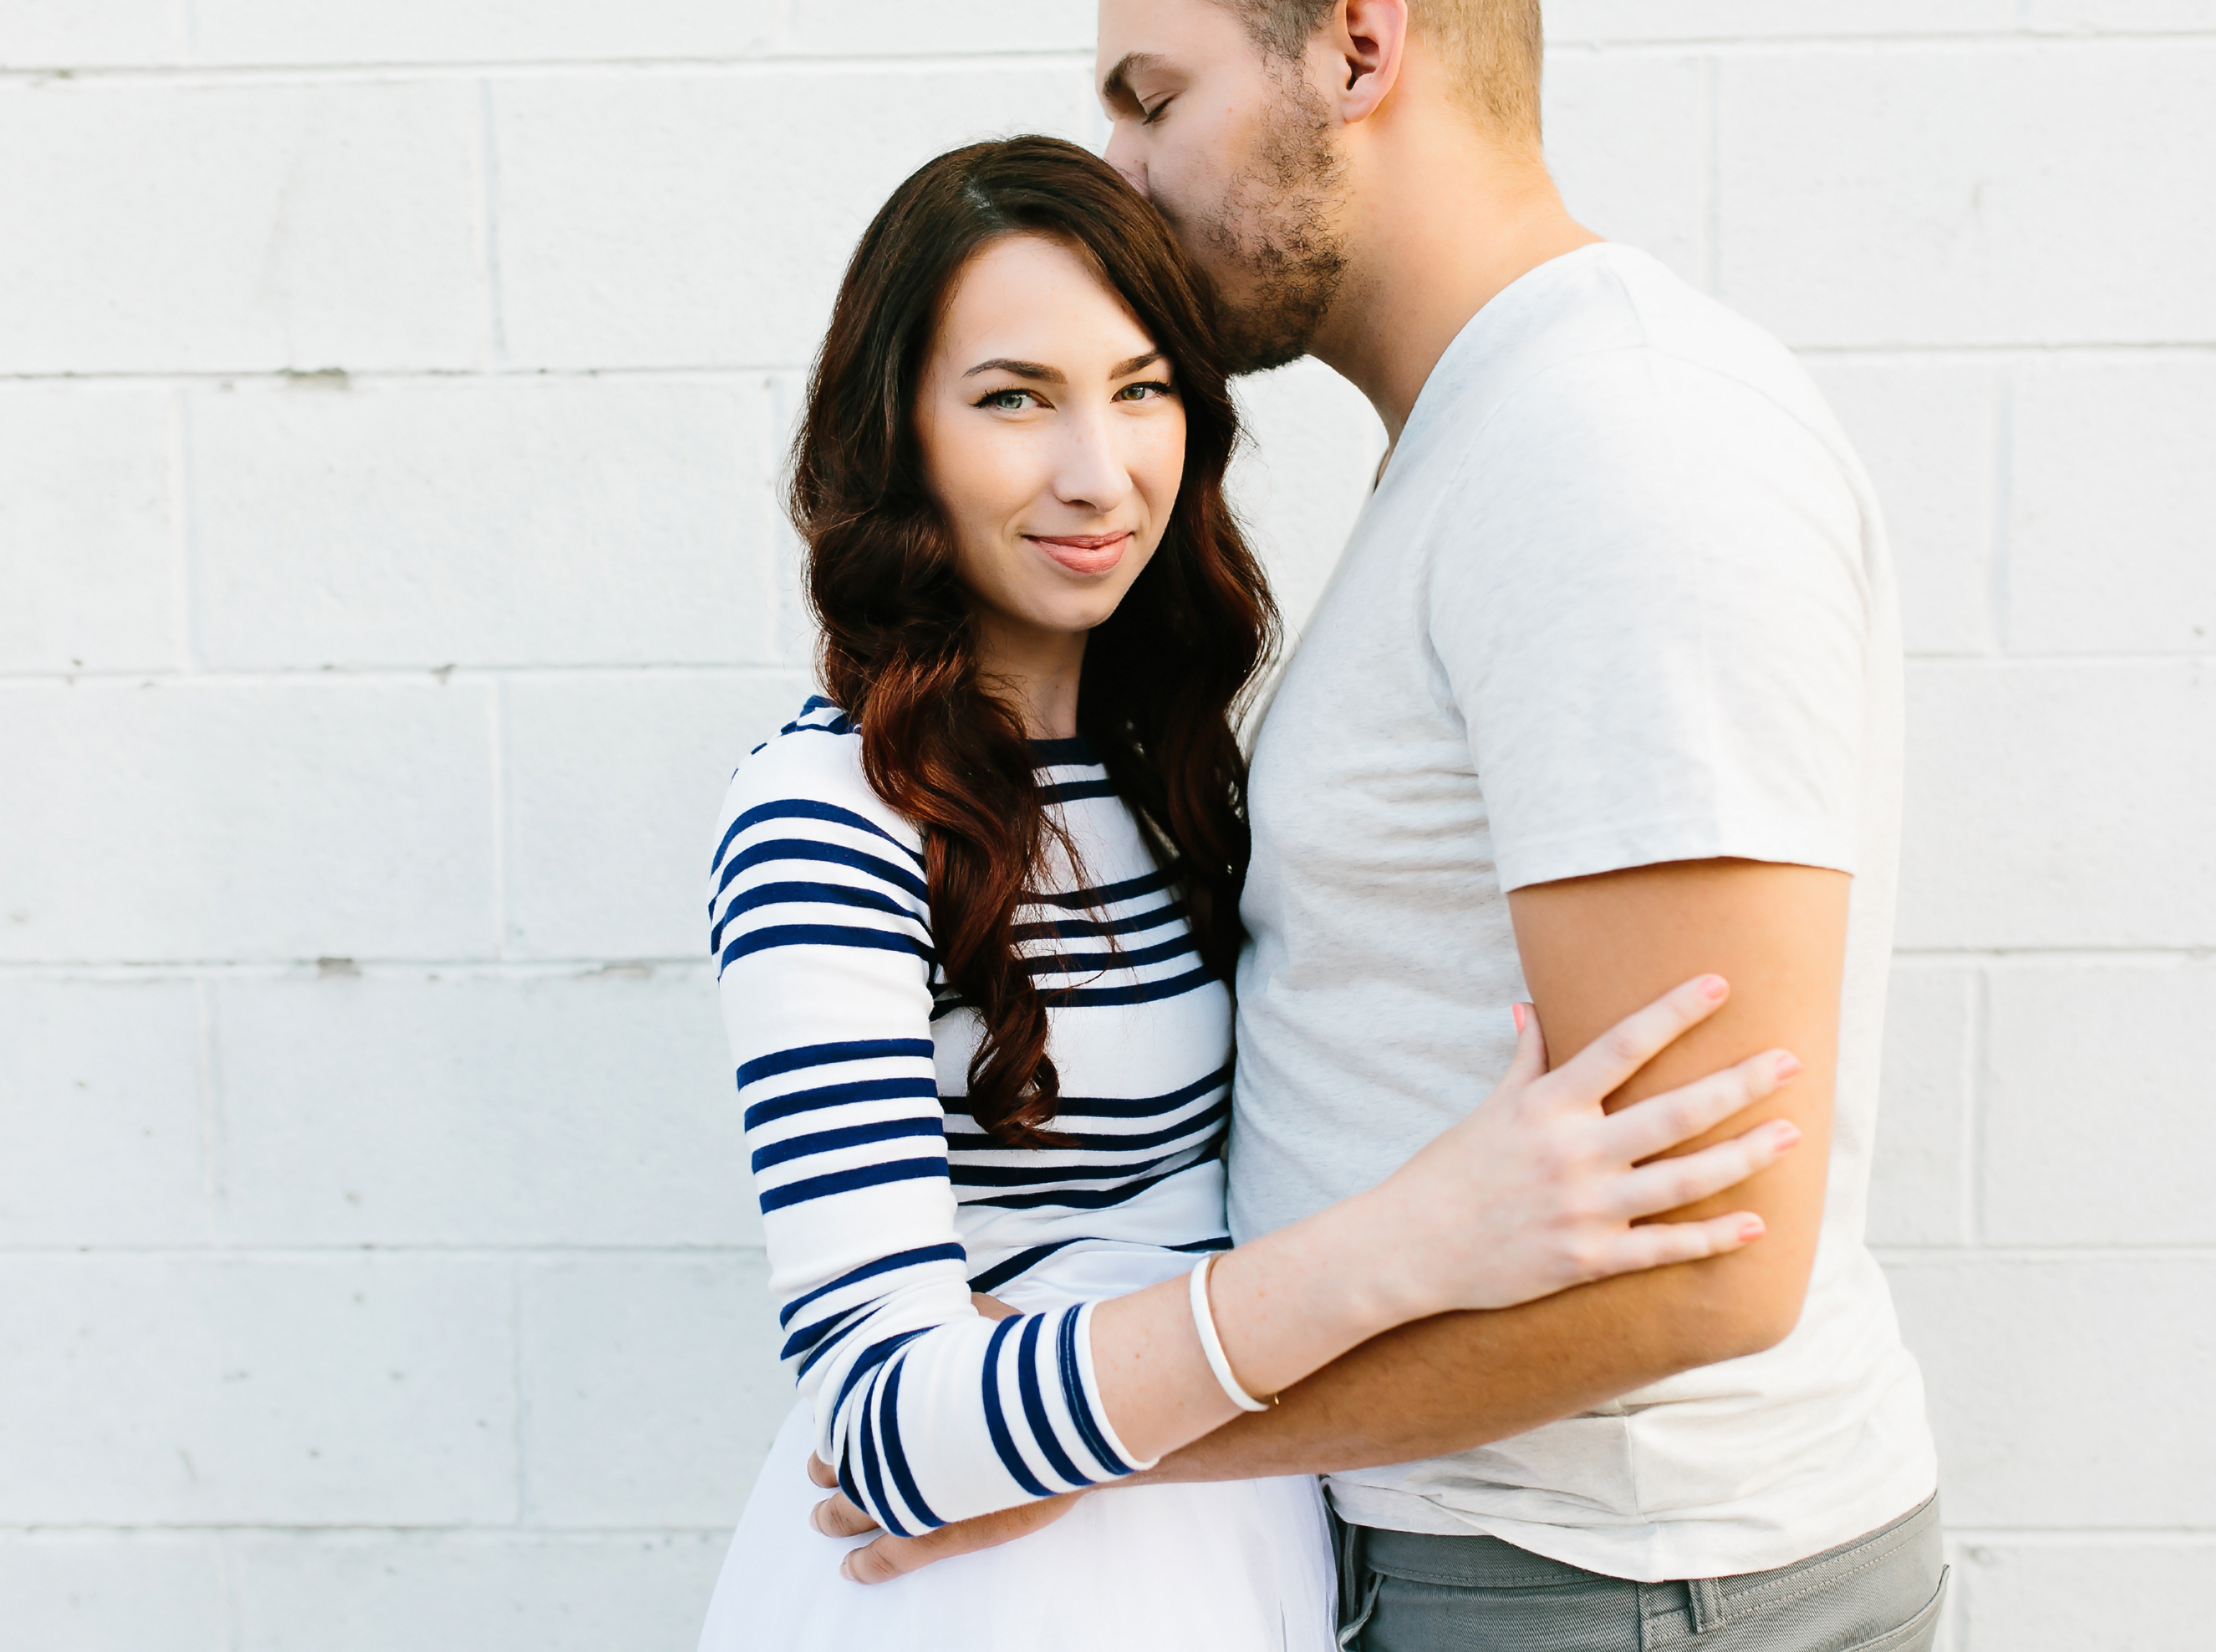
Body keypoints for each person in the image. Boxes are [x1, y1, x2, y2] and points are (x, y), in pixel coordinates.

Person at [813, 4, 1947, 1649]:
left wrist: (1086, 1436)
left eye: (1152, 98)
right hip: (1512, 1559)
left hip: (1611, 1583)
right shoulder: (1491, 433)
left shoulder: (1612, 443)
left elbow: (1707, 1263)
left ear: (1354, 46)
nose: (1123, 171)